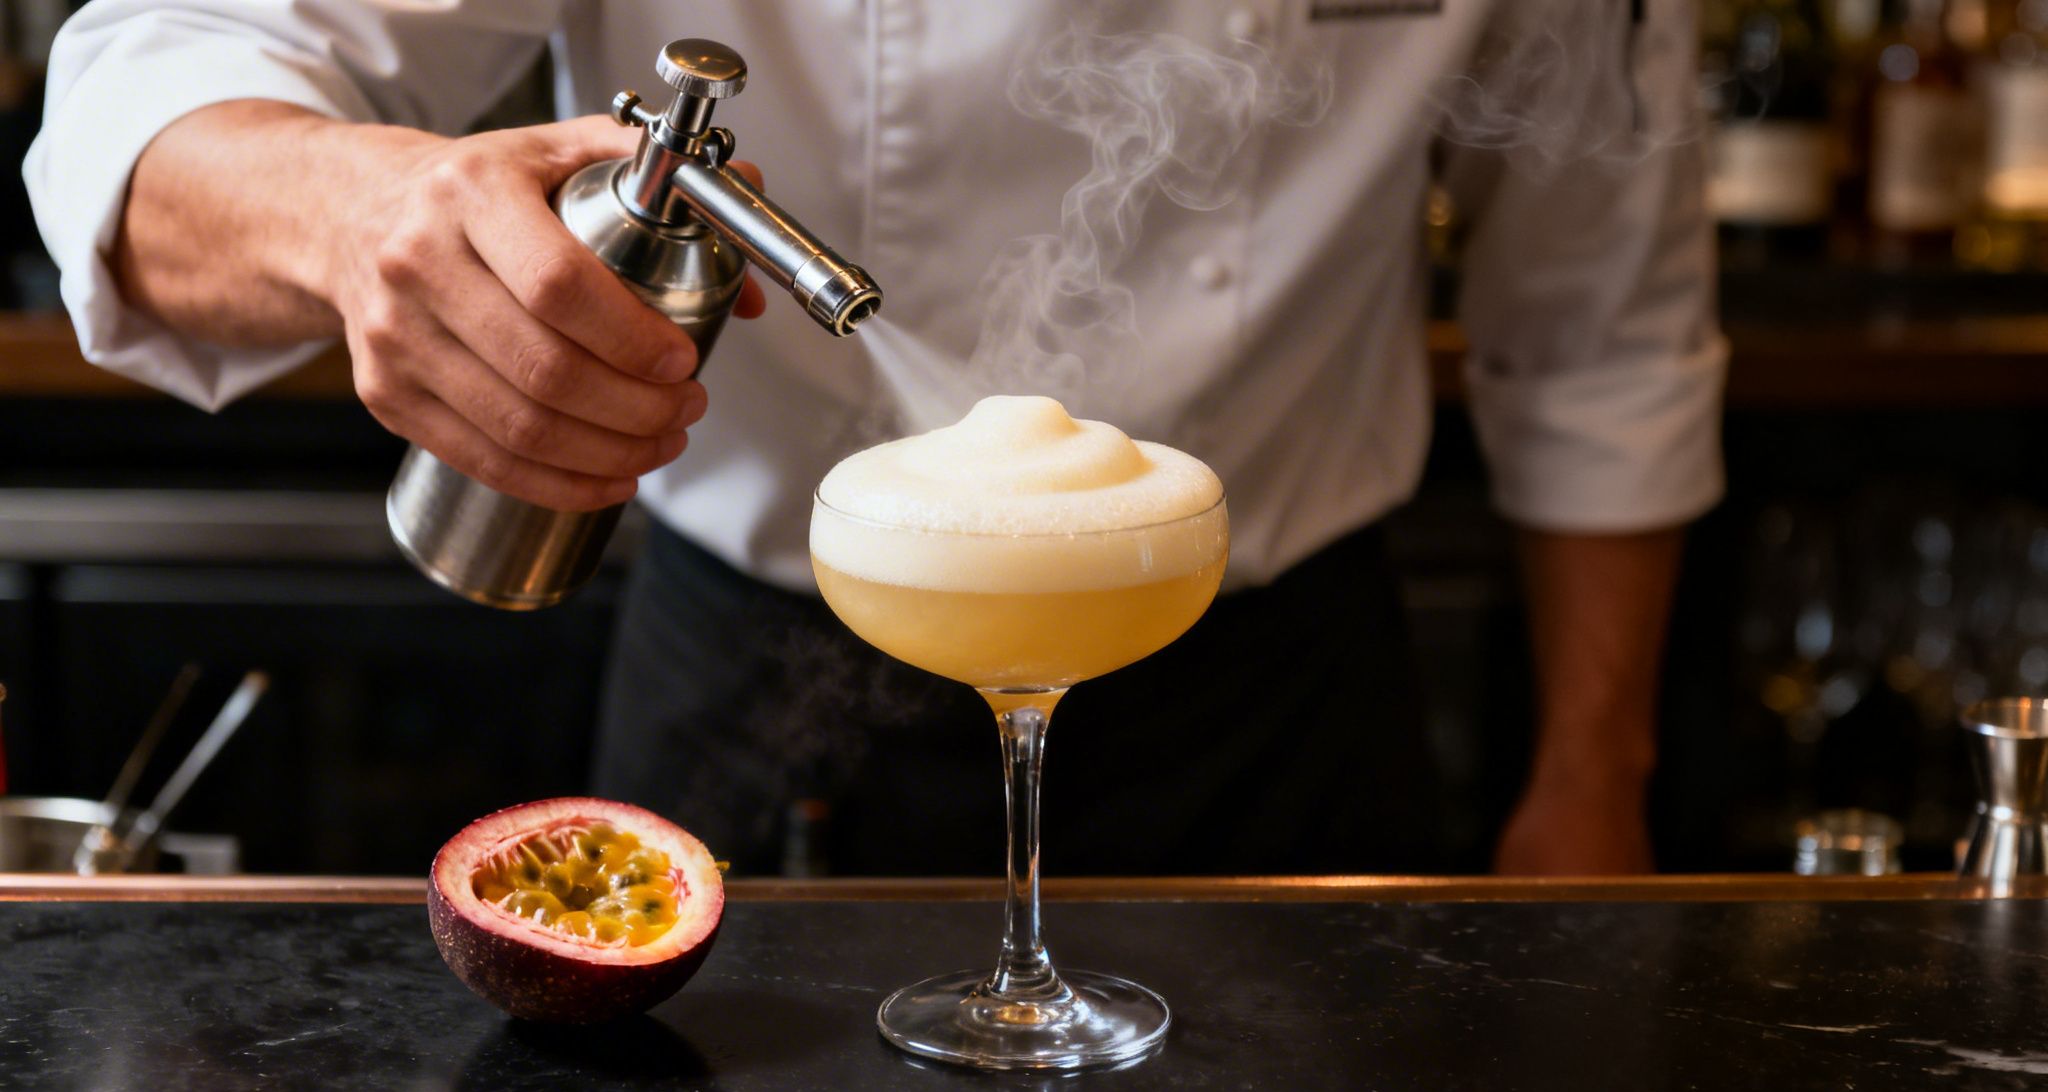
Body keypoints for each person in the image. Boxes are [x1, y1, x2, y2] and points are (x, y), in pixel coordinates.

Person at [26, 2, 1724, 877]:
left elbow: (1601, 323)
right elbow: (146, 89)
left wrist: (1593, 779)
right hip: (767, 706)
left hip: (1283, 716)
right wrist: (355, 208)